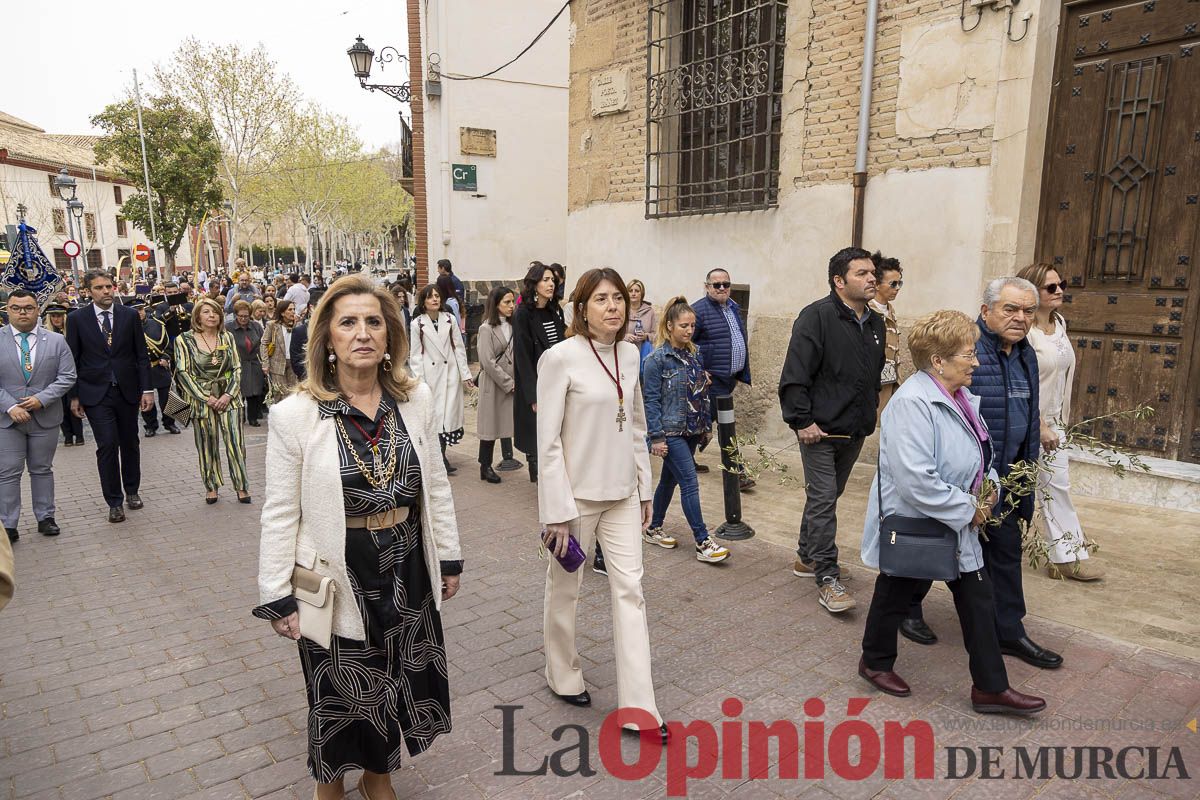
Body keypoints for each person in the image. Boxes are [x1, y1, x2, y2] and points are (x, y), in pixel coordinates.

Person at [253, 275, 462, 800]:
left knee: (394, 676)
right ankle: (331, 785)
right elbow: (280, 511)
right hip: (337, 571)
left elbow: (433, 482)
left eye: (374, 322)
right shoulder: (295, 415)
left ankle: (378, 776)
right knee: (339, 688)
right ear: (326, 337)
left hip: (406, 562)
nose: (362, 333)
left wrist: (451, 556)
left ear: (390, 335)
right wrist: (276, 593)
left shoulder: (415, 399)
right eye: (348, 322)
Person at [858, 309, 1047, 716]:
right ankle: (874, 661)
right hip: (920, 521)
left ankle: (991, 689)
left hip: (957, 520)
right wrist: (969, 509)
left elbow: (980, 452)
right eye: (968, 354)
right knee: (896, 591)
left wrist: (991, 486)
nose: (976, 362)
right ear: (939, 361)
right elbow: (915, 479)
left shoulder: (959, 397)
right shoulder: (912, 403)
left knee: (978, 600)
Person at [537, 267, 667, 744]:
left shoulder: (632, 354)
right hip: (574, 502)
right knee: (565, 588)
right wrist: (556, 510)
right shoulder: (559, 358)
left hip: (622, 498)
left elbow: (636, 424)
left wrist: (645, 488)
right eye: (601, 299)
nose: (613, 306)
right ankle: (562, 671)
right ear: (581, 308)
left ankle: (639, 707)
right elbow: (547, 440)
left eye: (618, 298)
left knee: (631, 591)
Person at [779, 247, 885, 614]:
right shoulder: (817, 317)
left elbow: (873, 378)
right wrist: (802, 420)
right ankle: (827, 576)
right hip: (819, 432)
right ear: (839, 281)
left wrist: (870, 416)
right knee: (824, 500)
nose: (872, 278)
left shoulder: (876, 324)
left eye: (873, 272)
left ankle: (806, 556)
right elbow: (795, 373)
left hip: (854, 431)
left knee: (828, 496)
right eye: (862, 273)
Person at [1018, 263, 1103, 582]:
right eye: (1050, 287)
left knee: (1056, 488)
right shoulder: (1026, 331)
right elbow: (1023, 381)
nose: (1059, 291)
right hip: (1030, 423)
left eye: (1061, 285)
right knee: (1010, 486)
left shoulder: (1059, 323)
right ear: (1031, 291)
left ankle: (1066, 557)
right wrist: (1039, 424)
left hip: (1055, 423)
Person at [641, 297, 730, 563]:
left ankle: (653, 527)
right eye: (683, 325)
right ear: (669, 326)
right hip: (671, 431)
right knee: (690, 481)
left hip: (692, 429)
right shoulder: (656, 360)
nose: (689, 330)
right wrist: (656, 437)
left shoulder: (694, 354)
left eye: (692, 325)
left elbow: (700, 394)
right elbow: (650, 401)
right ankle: (703, 542)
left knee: (669, 480)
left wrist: (706, 427)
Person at [65, 270, 155, 524]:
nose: (106, 291)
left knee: (130, 442)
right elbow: (72, 359)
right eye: (99, 288)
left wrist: (146, 389)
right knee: (106, 444)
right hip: (95, 392)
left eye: (109, 286)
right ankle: (114, 501)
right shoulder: (77, 318)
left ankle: (132, 490)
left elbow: (141, 356)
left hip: (126, 391)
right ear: (88, 291)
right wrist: (74, 396)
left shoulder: (128, 316)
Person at [1, 290, 76, 543]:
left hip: (45, 417)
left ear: (37, 310)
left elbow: (67, 376)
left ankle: (46, 517)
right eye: (16, 308)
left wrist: (41, 399)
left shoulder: (56, 341)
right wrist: (11, 406)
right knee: (8, 472)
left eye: (28, 307)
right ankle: (8, 524)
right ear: (7, 310)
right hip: (7, 420)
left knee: (42, 469)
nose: (23, 312)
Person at [175, 298, 250, 504]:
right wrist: (206, 398)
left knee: (235, 442)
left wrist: (228, 395)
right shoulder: (184, 339)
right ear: (197, 316)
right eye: (206, 312)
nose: (211, 316)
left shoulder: (227, 336)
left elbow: (236, 367)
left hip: (229, 397)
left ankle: (241, 486)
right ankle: (211, 487)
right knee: (207, 444)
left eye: (215, 312)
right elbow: (183, 372)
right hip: (203, 399)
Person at [691, 268, 754, 489]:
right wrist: (699, 370)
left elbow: (738, 339)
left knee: (706, 421)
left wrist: (739, 372)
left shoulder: (733, 308)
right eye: (716, 284)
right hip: (712, 379)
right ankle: (737, 474)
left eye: (725, 284)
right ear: (707, 286)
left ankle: (687, 456)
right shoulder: (697, 311)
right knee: (726, 427)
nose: (721, 288)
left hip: (729, 378)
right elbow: (684, 343)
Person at [408, 285, 473, 474]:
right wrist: (420, 381)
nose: (435, 299)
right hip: (430, 376)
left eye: (437, 296)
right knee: (435, 417)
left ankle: (442, 456)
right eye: (430, 297)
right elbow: (415, 355)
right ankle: (438, 458)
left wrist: (466, 374)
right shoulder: (417, 324)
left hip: (450, 373)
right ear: (424, 302)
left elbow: (459, 348)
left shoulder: (450, 319)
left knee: (448, 416)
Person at [512, 264, 566, 484]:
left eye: (552, 279)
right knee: (537, 436)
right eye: (545, 279)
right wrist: (532, 395)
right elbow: (522, 357)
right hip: (537, 381)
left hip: (558, 380)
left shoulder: (555, 311)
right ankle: (539, 475)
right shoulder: (523, 314)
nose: (550, 284)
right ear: (534, 284)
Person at [475, 286, 521, 483]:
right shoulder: (486, 329)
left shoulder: (514, 325)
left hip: (511, 383)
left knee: (506, 424)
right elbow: (487, 361)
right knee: (490, 428)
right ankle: (485, 466)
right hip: (494, 385)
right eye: (507, 302)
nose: (511, 306)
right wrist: (508, 382)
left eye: (512, 302)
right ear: (496, 304)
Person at [133, 299, 180, 438]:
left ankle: (170, 423)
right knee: (146, 399)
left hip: (159, 367)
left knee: (167, 397)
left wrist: (165, 357)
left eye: (141, 309)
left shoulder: (157, 324)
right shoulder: (126, 328)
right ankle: (150, 425)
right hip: (141, 370)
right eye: (136, 310)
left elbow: (168, 346)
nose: (139, 313)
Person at [42, 304, 84, 447]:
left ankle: (79, 435)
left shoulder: (71, 332)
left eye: (59, 315)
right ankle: (67, 435)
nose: (56, 318)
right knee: (60, 407)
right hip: (53, 376)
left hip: (72, 373)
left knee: (73, 402)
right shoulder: (44, 334)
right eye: (53, 316)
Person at [869, 251, 904, 419]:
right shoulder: (866, 310)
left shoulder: (891, 310)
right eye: (893, 284)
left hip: (890, 382)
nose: (897, 288)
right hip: (872, 385)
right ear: (876, 284)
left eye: (900, 283)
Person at [227, 300, 266, 427]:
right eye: (241, 316)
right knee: (239, 392)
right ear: (236, 315)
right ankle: (240, 417)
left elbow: (263, 344)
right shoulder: (229, 328)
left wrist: (264, 362)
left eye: (246, 316)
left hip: (255, 364)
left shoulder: (256, 326)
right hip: (238, 364)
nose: (243, 319)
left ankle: (253, 418)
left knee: (255, 392)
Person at [263, 300, 300, 404]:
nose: (293, 312)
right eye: (290, 309)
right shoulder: (272, 325)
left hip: (293, 363)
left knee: (293, 392)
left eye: (294, 309)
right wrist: (265, 363)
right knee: (280, 393)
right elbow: (264, 343)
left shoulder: (297, 325)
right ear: (282, 313)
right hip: (277, 363)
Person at [624, 279, 657, 361]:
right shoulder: (622, 310)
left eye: (637, 291)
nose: (633, 293)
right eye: (630, 291)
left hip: (644, 353)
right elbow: (614, 332)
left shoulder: (650, 311)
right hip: (625, 353)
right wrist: (625, 336)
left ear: (642, 294)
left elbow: (656, 335)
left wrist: (646, 336)